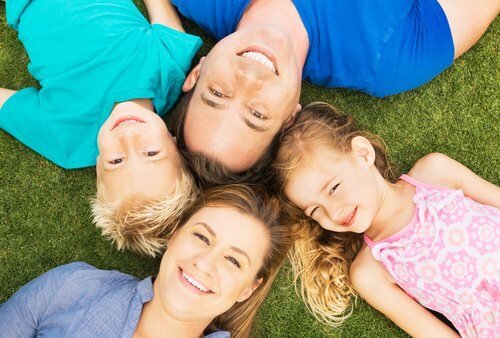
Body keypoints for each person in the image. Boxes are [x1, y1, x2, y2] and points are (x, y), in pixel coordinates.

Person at [169, 0, 499, 185]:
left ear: (197, 72)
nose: (248, 80)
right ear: (289, 119)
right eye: (256, 114)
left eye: (217, 94)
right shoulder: (388, 59)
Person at [273, 102, 500, 337]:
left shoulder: (435, 171)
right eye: (314, 210)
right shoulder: (370, 272)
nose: (333, 213)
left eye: (333, 188)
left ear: (362, 154)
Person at [0, 0, 202, 256]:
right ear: (175, 143)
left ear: (98, 168)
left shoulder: (66, 138)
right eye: (151, 153)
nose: (129, 138)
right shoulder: (170, 68)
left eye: (117, 161)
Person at [0, 184, 292, 338]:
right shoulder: (73, 288)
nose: (204, 263)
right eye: (202, 237)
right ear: (174, 235)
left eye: (233, 260)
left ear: (248, 289)